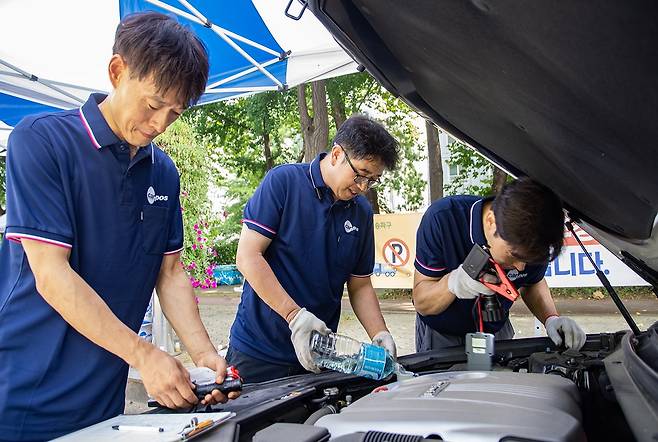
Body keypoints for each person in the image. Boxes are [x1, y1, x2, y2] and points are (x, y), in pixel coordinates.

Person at [0, 12, 237, 441]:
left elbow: (170, 273)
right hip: (23, 393)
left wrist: (204, 356)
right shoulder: (41, 142)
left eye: (175, 113)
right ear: (117, 71)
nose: (160, 124)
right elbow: (51, 275)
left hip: (104, 399)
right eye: (152, 105)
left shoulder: (163, 174)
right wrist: (144, 356)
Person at [227, 115, 400, 383]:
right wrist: (295, 317)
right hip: (258, 351)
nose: (363, 188)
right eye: (361, 175)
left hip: (319, 354)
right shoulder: (283, 183)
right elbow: (248, 257)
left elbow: (360, 285)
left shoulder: (361, 212)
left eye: (372, 180)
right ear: (336, 154)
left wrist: (380, 333)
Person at [413, 177, 587, 352]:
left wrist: (551, 319)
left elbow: (533, 282)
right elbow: (421, 301)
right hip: (442, 336)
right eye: (513, 255)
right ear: (491, 222)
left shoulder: (537, 232)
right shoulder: (443, 219)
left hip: (496, 332)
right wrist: (452, 284)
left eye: (529, 261)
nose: (520, 268)